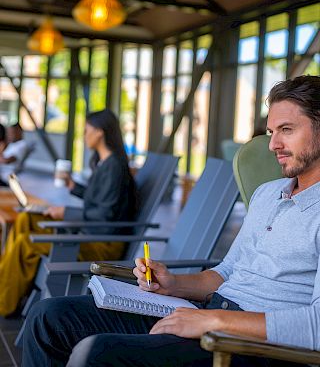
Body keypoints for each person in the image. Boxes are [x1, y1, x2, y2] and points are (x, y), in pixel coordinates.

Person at [23, 76, 320, 367]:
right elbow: (227, 271)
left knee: (99, 353)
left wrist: (213, 319)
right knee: (48, 318)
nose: (273, 145)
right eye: (271, 132)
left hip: (254, 345)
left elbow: (316, 326)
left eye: (287, 130)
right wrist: (173, 284)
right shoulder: (267, 193)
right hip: (208, 311)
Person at [0, 109, 137, 317]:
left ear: (99, 132)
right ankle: (6, 282)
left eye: (86, 130)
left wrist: (67, 212)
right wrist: (73, 186)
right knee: (27, 217)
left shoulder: (115, 167)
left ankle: (4, 302)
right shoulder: (104, 163)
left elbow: (105, 215)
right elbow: (99, 201)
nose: (84, 135)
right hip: (91, 232)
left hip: (103, 243)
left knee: (26, 241)